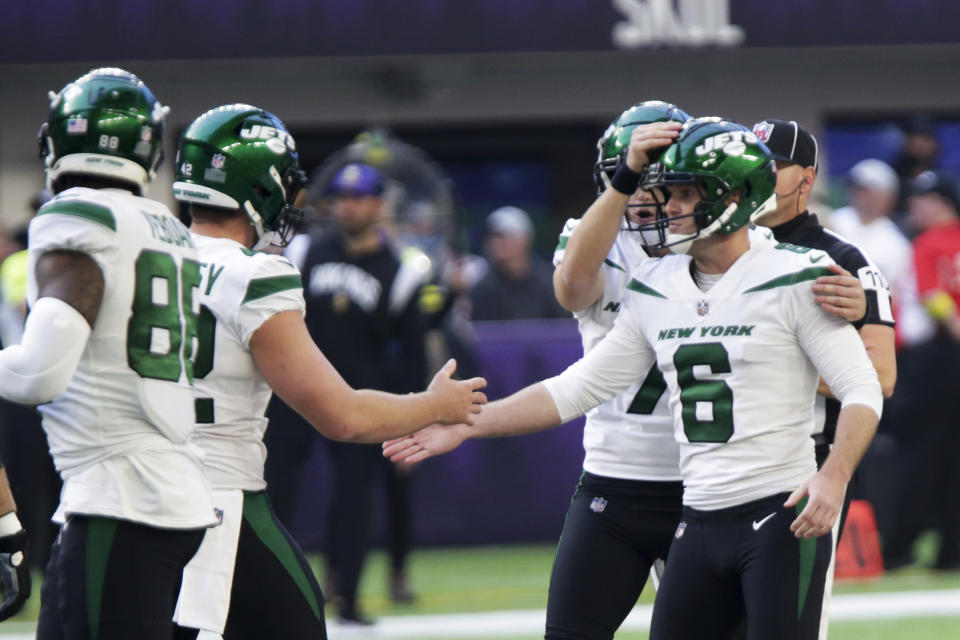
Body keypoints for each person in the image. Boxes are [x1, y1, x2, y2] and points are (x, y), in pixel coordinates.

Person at [386, 117, 883, 639]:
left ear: (730, 197)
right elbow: (579, 386)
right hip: (696, 516)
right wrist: (468, 424)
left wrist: (835, 474)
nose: (666, 208)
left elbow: (864, 386)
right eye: (666, 193)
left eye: (683, 194)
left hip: (779, 512)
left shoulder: (801, 272)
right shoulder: (655, 282)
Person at [169, 106, 486, 638]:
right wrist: (433, 407)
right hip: (231, 475)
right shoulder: (264, 270)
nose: (343, 207)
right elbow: (342, 415)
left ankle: (353, 588)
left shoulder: (145, 256)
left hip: (137, 480)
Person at [15, 67, 219, 640]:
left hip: (120, 498)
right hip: (172, 495)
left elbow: (38, 374)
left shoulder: (79, 216)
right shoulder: (165, 226)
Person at [881, 170, 960, 571]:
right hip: (943, 360)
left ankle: (897, 548)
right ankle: (951, 554)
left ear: (940, 203)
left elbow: (933, 298)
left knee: (917, 455)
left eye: (920, 201)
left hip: (931, 360)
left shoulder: (928, 242)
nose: (913, 208)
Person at [469, 206, 567, 321]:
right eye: (493, 237)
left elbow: (564, 326)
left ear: (524, 240)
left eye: (504, 237)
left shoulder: (549, 282)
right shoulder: (483, 288)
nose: (496, 243)